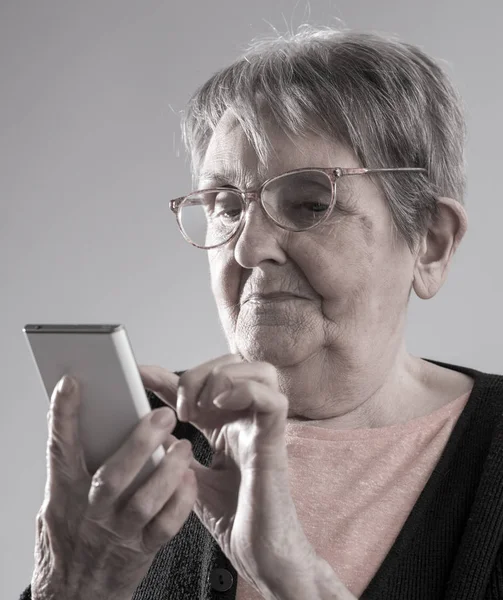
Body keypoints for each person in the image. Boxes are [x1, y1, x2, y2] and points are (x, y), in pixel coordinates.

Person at [20, 26, 503, 600]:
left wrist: (291, 572)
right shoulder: (141, 451)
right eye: (226, 207)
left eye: (308, 203)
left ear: (430, 241)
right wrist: (70, 587)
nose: (248, 249)